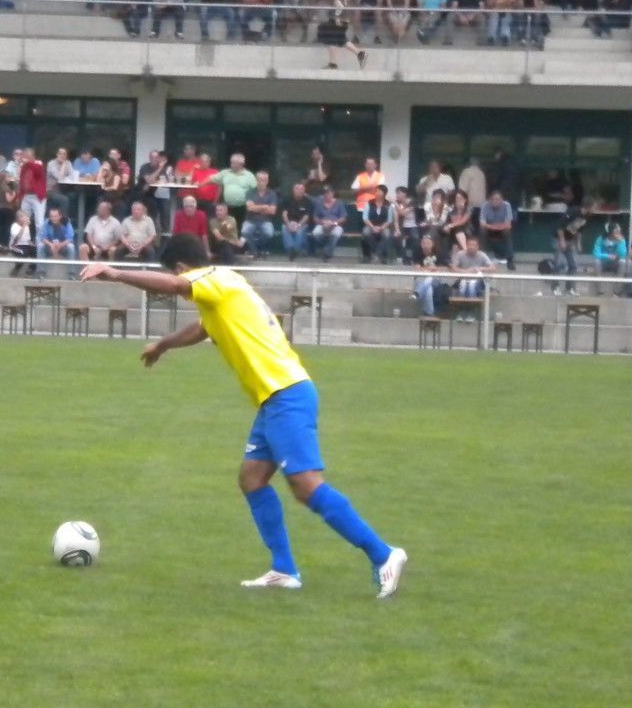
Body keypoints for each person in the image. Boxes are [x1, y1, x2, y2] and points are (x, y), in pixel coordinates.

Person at [79, 234, 408, 598]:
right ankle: (284, 569)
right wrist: (164, 345)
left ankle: (383, 554)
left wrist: (114, 272)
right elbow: (203, 328)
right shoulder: (223, 287)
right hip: (274, 399)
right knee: (252, 478)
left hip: (286, 394)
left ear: (182, 268)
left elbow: (174, 286)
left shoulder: (213, 279)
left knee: (305, 485)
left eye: (178, 276)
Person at [551, 198, 593, 296]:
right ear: (588, 207)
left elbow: (579, 231)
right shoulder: (573, 211)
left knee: (573, 265)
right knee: (559, 264)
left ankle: (570, 288)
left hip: (570, 240)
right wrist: (562, 241)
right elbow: (560, 226)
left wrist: (578, 243)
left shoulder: (586, 217)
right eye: (594, 207)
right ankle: (555, 287)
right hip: (559, 238)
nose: (595, 210)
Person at [208, 153, 256, 227]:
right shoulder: (225, 173)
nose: (232, 164)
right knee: (227, 227)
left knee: (240, 227)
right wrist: (200, 184)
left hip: (242, 208)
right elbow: (211, 179)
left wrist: (251, 202)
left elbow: (255, 190)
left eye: (234, 163)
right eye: (231, 162)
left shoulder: (249, 176)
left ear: (241, 164)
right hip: (227, 207)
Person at [241, 172, 277, 258]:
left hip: (265, 220)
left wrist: (256, 208)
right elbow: (249, 208)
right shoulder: (250, 192)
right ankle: (256, 251)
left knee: (269, 233)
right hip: (250, 220)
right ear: (256, 180)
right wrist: (264, 207)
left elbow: (273, 211)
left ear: (267, 181)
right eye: (259, 180)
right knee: (244, 232)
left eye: (264, 180)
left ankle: (255, 248)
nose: (261, 182)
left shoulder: (272, 193)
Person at [450, 236, 494, 308]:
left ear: (477, 247)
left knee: (471, 286)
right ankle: (461, 311)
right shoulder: (460, 254)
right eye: (469, 245)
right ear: (466, 246)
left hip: (477, 281)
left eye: (473, 245)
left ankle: (472, 312)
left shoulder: (482, 255)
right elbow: (453, 268)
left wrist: (481, 269)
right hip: (463, 279)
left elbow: (492, 268)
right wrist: (465, 271)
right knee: (463, 286)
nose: (471, 247)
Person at [412, 234, 449, 317]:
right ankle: (430, 313)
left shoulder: (439, 252)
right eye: (424, 243)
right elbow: (417, 269)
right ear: (421, 244)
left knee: (430, 278)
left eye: (428, 243)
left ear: (432, 244)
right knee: (428, 290)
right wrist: (429, 268)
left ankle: (418, 292)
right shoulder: (417, 252)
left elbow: (446, 268)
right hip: (421, 279)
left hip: (436, 280)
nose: (426, 246)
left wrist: (435, 268)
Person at [478, 190, 514, 269]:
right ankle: (481, 259)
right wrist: (495, 227)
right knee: (482, 230)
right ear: (490, 200)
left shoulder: (507, 205)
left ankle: (510, 260)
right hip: (489, 230)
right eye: (492, 199)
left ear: (502, 200)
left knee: (507, 231)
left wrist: (494, 226)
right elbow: (482, 223)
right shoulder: (485, 205)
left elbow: (508, 225)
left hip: (501, 230)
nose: (495, 201)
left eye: (497, 199)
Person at [36, 206, 76, 277]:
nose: (53, 218)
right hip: (50, 246)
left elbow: (70, 238)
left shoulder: (66, 222)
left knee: (71, 247)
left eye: (55, 216)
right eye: (51, 216)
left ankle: (72, 274)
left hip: (63, 246)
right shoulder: (47, 222)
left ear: (60, 216)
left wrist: (60, 245)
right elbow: (42, 237)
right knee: (40, 246)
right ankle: (41, 272)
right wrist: (51, 244)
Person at [310, 185, 347, 260]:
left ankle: (326, 252)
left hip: (336, 225)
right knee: (315, 233)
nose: (327, 195)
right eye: (325, 193)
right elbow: (315, 217)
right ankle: (328, 248)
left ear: (333, 193)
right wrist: (322, 222)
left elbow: (343, 218)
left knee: (336, 233)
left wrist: (333, 223)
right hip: (322, 224)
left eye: (328, 193)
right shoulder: (319, 203)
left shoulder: (339, 203)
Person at [361, 185, 396, 264]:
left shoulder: (388, 205)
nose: (377, 193)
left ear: (384, 193)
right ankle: (378, 255)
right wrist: (373, 227)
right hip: (370, 225)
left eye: (379, 191)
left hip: (383, 226)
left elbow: (389, 220)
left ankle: (376, 255)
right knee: (366, 232)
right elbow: (365, 218)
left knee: (387, 234)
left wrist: (381, 228)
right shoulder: (369, 203)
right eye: (376, 191)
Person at [280, 182, 313, 261]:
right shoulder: (287, 199)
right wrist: (288, 224)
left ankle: (294, 251)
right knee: (284, 228)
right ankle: (292, 249)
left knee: (299, 231)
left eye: (301, 189)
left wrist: (298, 225)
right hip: (289, 222)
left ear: (304, 190)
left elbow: (306, 216)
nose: (299, 191)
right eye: (297, 189)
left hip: (301, 223)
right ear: (293, 190)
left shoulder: (307, 201)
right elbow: (284, 213)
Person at [592, 223, 629, 293]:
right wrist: (607, 256)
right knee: (596, 262)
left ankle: (617, 291)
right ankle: (600, 290)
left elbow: (623, 254)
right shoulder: (601, 239)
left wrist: (620, 242)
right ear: (610, 231)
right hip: (603, 263)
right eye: (616, 230)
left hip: (615, 263)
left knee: (623, 262)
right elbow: (596, 253)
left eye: (619, 230)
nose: (618, 232)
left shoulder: (621, 240)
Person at [19, 148, 47, 230]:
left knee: (39, 223)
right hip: (26, 196)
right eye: (25, 156)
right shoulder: (24, 167)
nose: (26, 158)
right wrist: (20, 196)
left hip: (37, 197)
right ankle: (23, 241)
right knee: (23, 221)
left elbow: (37, 171)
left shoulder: (39, 165)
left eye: (28, 156)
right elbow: (22, 182)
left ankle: (39, 243)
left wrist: (28, 163)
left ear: (33, 157)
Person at [8, 210, 37, 277]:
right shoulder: (14, 226)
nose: (27, 218)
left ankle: (31, 269)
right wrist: (23, 226)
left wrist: (33, 245)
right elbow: (17, 238)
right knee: (24, 252)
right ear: (19, 218)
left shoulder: (27, 227)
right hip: (15, 246)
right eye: (25, 217)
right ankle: (16, 269)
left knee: (35, 250)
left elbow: (28, 240)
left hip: (25, 245)